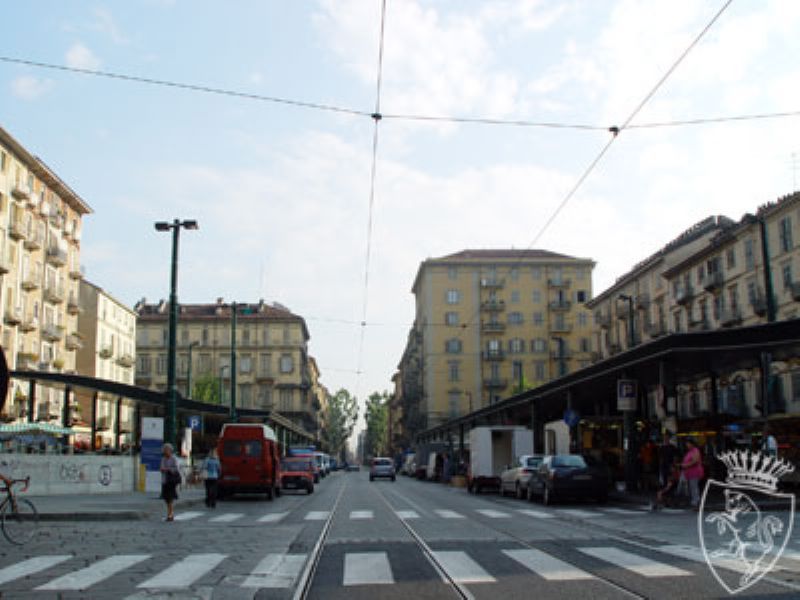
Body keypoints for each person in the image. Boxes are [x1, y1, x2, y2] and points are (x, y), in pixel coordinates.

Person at [680, 438, 704, 510]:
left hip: (695, 471)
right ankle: (694, 501)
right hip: (689, 472)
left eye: (688, 443)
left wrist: (686, 465)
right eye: (686, 444)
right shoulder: (690, 451)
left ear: (691, 444)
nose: (686, 445)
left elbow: (695, 461)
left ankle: (696, 502)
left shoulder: (695, 451)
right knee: (691, 487)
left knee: (694, 487)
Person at [160, 443, 180, 522]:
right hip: (165, 480)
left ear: (170, 450)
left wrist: (167, 469)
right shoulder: (163, 459)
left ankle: (170, 514)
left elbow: (176, 469)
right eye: (164, 450)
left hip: (172, 481)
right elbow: (161, 468)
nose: (165, 451)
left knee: (170, 498)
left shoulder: (174, 458)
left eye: (166, 450)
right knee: (166, 498)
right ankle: (170, 513)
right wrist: (165, 469)